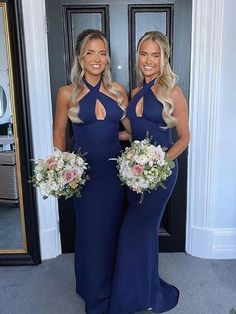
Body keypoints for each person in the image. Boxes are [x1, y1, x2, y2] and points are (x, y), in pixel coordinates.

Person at [108, 31, 190, 314]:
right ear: (138, 56)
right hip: (135, 172)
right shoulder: (132, 93)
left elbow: (184, 139)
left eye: (155, 55)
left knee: (135, 232)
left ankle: (140, 297)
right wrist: (99, 135)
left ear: (164, 58)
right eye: (144, 54)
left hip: (161, 174)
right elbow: (132, 132)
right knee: (139, 234)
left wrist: (157, 165)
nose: (148, 60)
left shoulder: (173, 92)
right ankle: (141, 293)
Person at [53, 29, 131, 314]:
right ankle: (92, 291)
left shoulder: (118, 91)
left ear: (107, 57)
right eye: (90, 52)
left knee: (112, 231)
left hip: (113, 175)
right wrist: (65, 171)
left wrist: (111, 138)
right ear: (80, 57)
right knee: (90, 234)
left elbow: (130, 133)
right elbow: (59, 135)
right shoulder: (66, 93)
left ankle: (114, 287)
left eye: (102, 52)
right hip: (85, 176)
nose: (97, 59)